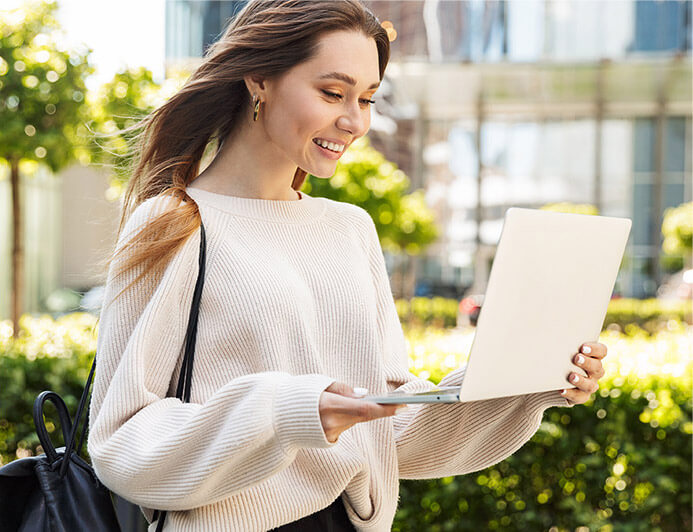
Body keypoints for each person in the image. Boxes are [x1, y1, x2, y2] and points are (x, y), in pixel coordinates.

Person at [87, 1, 608, 530]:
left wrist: (522, 381)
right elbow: (123, 443)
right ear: (258, 79)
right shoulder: (175, 223)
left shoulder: (349, 228)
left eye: (367, 98)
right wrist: (287, 410)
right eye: (332, 93)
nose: (354, 121)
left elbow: (390, 431)